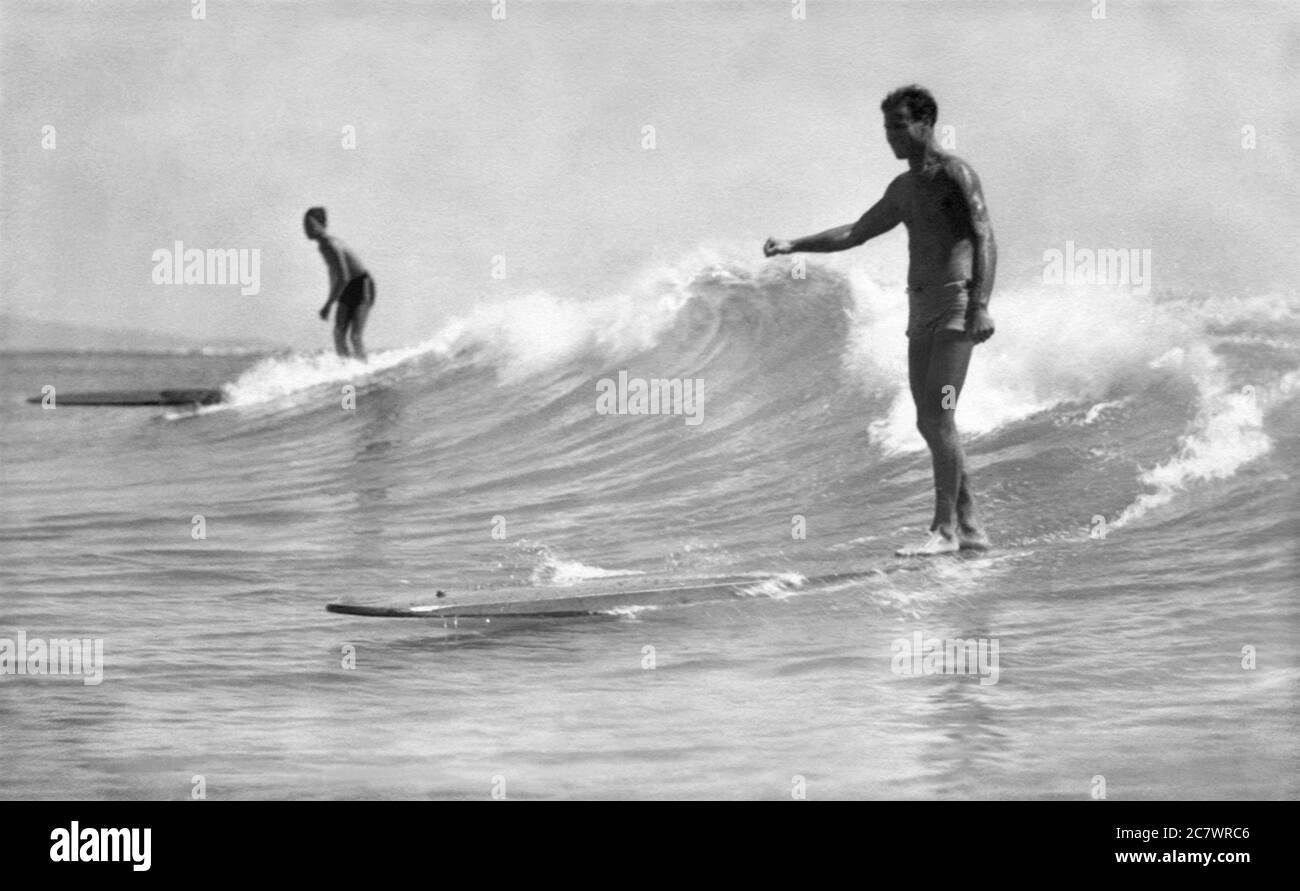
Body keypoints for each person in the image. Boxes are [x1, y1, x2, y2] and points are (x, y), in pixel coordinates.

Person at [763, 85, 996, 555]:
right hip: (920, 311)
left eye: (898, 126)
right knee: (930, 423)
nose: (890, 137)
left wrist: (981, 305)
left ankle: (944, 531)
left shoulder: (955, 174)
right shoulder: (904, 188)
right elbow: (855, 232)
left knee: (938, 416)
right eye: (886, 127)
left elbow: (985, 238)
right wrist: (794, 245)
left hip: (956, 307)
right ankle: (970, 528)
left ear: (925, 124)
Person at [304, 206, 375, 360]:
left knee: (355, 336)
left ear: (322, 224)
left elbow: (343, 276)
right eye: (305, 224)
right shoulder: (323, 246)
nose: (306, 228)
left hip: (362, 284)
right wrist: (330, 300)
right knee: (338, 334)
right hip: (348, 286)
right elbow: (334, 273)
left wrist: (328, 304)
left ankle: (364, 368)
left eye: (310, 224)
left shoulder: (330, 244)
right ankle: (347, 369)